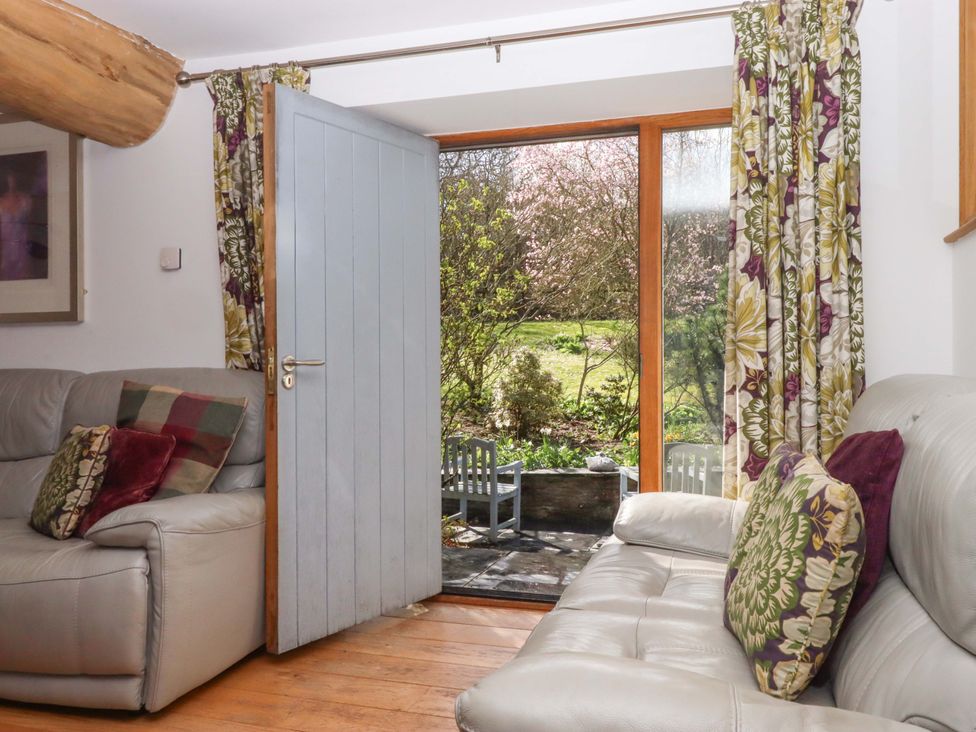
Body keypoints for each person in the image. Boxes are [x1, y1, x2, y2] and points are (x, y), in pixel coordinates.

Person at [0, 169, 37, 280]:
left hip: (23, 249)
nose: (11, 182)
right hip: (5, 251)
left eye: (13, 178)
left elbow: (32, 226)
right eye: (8, 179)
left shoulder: (26, 200)